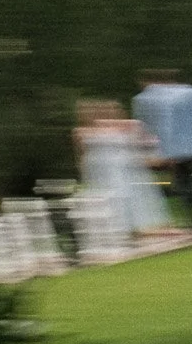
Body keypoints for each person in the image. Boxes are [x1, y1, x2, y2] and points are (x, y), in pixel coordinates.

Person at [73, 99, 171, 247]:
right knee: (107, 197)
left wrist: (150, 158)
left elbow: (142, 143)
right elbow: (81, 153)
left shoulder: (125, 126)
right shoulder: (80, 131)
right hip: (98, 168)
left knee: (124, 195)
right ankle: (115, 229)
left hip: (120, 167)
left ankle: (132, 228)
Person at [133, 72, 192, 225]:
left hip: (177, 148)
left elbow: (157, 126)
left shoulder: (149, 100)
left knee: (184, 181)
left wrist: (160, 150)